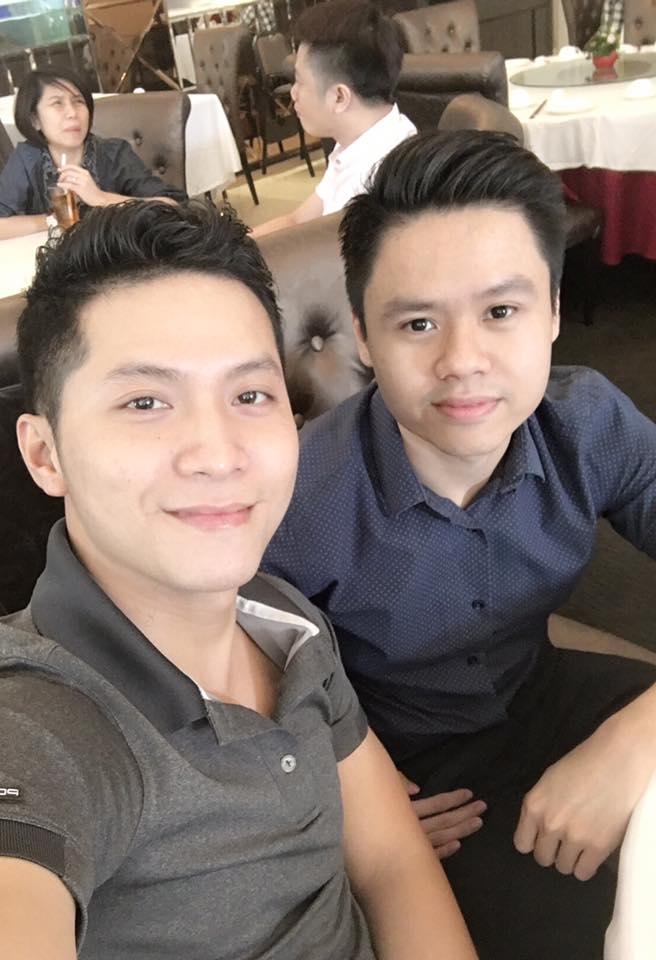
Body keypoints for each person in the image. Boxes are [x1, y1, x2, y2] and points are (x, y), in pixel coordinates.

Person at [0, 199, 477, 960]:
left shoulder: (281, 617)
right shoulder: (22, 731)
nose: (218, 453)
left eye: (249, 395)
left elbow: (391, 862)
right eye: (145, 401)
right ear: (45, 455)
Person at [262, 130, 656, 960]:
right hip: (409, 773)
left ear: (553, 311)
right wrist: (346, 809)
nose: (462, 362)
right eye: (417, 323)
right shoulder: (296, 501)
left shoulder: (586, 423)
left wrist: (637, 738)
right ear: (365, 337)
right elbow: (233, 696)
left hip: (546, 691)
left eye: (501, 312)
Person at [252, 0, 415, 238]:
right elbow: (297, 220)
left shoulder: (377, 183)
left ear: (339, 97)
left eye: (300, 82)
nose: (293, 93)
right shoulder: (366, 140)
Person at [0, 68, 186, 241]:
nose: (72, 113)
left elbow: (171, 207)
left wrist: (101, 198)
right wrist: (56, 219)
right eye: (57, 103)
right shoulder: (28, 158)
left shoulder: (114, 154)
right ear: (35, 120)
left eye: (78, 102)